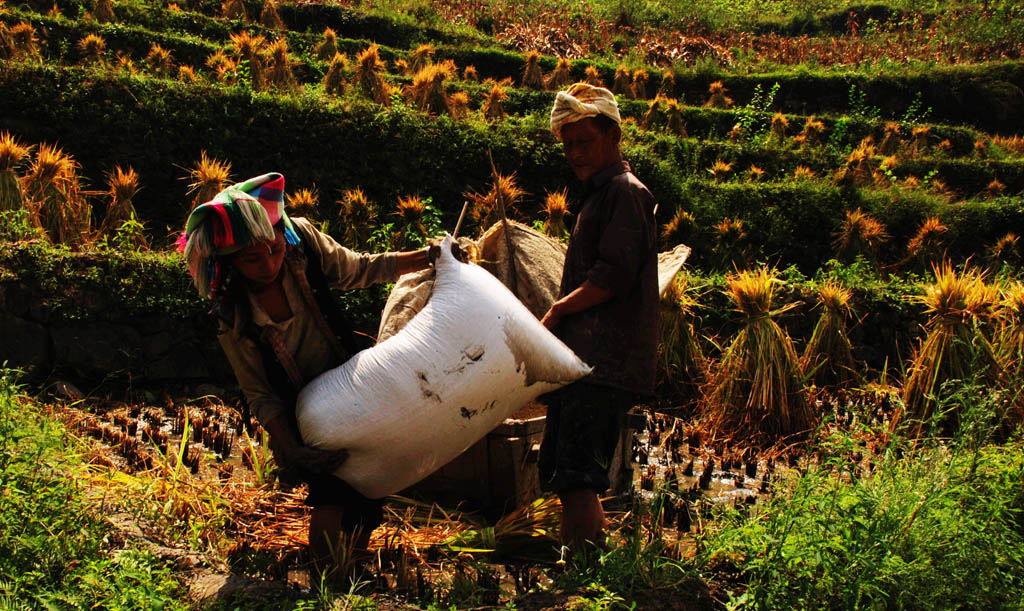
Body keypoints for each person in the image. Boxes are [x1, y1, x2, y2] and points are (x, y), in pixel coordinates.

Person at [178, 172, 438, 572]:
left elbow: (361, 269)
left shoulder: (303, 243)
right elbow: (260, 393)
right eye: (251, 259)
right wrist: (293, 449)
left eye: (274, 250)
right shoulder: (232, 314)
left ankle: (344, 569)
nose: (267, 264)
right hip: (306, 410)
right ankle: (327, 581)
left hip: (354, 382)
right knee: (331, 491)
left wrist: (429, 257)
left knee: (368, 487)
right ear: (229, 262)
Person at [539, 83, 659, 548]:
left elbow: (612, 278)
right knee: (566, 472)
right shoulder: (598, 195)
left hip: (604, 363)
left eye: (585, 141)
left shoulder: (626, 193)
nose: (574, 153)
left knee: (577, 475)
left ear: (614, 136)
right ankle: (582, 568)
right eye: (568, 145)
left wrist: (556, 310)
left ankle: (584, 577)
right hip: (587, 362)